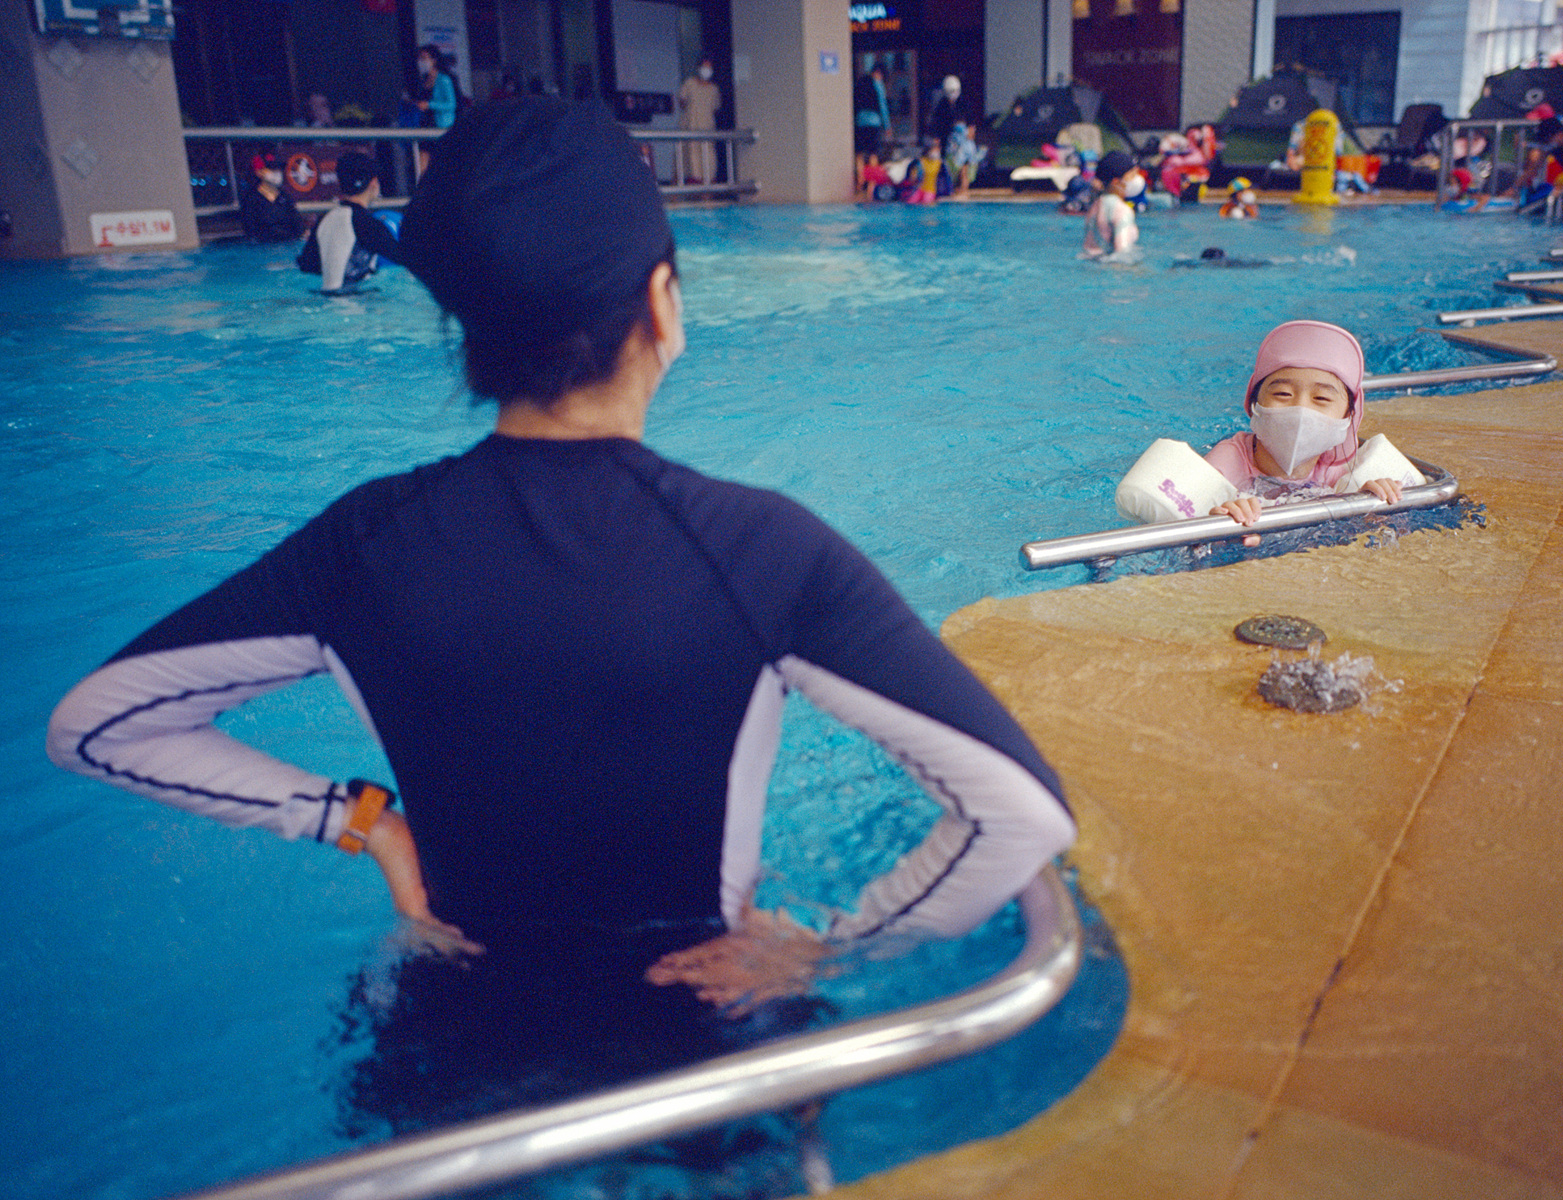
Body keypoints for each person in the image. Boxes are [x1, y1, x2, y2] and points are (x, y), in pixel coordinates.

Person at [46, 96, 1074, 1129]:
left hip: (448, 1048)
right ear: (662, 303)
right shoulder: (759, 549)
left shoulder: (365, 543)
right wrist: (836, 946)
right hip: (706, 1047)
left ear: (466, 329)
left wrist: (365, 824)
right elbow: (1020, 812)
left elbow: (96, 726)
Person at [1204, 321, 1407, 547]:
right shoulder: (1224, 464)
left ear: (1348, 417)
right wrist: (1220, 524)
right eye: (1282, 393)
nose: (1300, 409)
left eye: (1321, 398)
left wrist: (1367, 506)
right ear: (1254, 404)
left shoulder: (1337, 474)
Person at [294, 151, 403, 293]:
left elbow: (306, 266)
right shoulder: (369, 224)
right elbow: (404, 259)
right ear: (373, 182)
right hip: (356, 300)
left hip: (324, 297)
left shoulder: (323, 221)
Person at [1081, 149, 1142, 260]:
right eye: (1132, 175)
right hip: (1111, 266)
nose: (1138, 179)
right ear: (1116, 181)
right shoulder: (1122, 210)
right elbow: (1122, 255)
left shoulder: (1094, 206)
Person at [238, 153, 306, 243]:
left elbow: (298, 226)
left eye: (279, 169)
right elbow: (251, 231)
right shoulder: (250, 200)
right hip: (264, 247)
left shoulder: (285, 198)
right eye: (272, 169)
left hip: (287, 245)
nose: (277, 173)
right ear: (259, 172)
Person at [677, 58, 722, 185]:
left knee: (708, 157)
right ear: (698, 68)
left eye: (709, 68)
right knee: (691, 157)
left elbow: (715, 107)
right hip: (690, 125)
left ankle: (708, 187)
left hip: (707, 127)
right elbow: (682, 102)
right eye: (704, 67)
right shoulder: (689, 83)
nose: (706, 70)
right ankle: (692, 184)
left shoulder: (714, 89)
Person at [853, 64, 891, 164]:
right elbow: (883, 107)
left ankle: (860, 173)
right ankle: (872, 174)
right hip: (874, 122)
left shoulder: (860, 82)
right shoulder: (878, 85)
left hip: (860, 121)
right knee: (873, 152)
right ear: (879, 73)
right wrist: (887, 126)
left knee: (859, 152)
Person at [926, 75, 977, 147]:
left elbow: (971, 121)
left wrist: (971, 130)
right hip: (947, 138)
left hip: (963, 138)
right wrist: (937, 138)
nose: (953, 96)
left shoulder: (964, 103)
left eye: (955, 91)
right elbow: (936, 123)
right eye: (950, 92)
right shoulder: (942, 105)